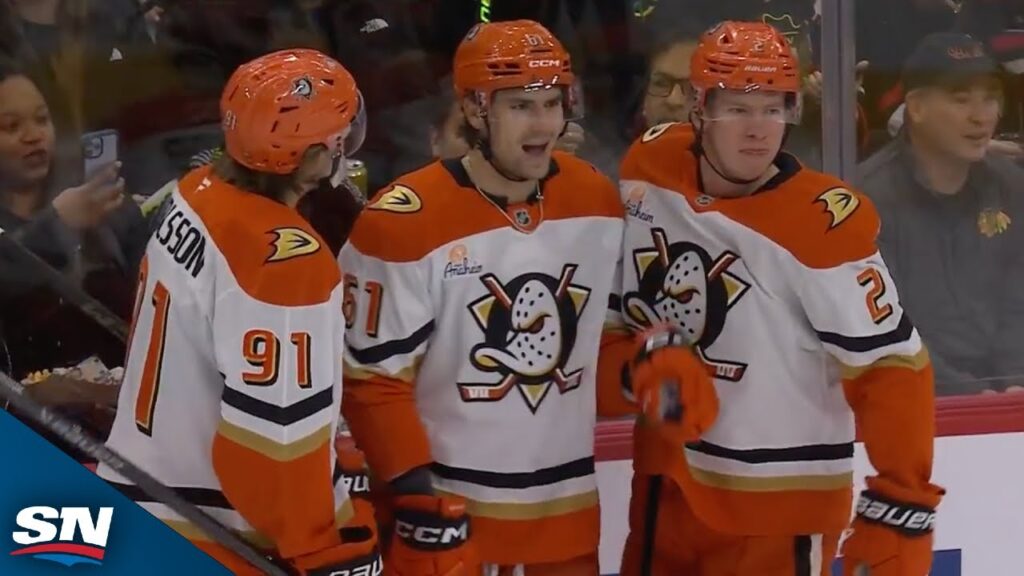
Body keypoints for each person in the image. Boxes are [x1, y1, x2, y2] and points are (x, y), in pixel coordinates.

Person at [611, 21, 944, 576]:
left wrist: (902, 502)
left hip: (776, 512)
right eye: (738, 108)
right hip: (665, 486)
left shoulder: (824, 226)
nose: (758, 129)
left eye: (774, 108)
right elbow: (619, 307)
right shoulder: (650, 168)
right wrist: (639, 363)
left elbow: (891, 367)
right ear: (698, 108)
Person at [339, 19, 652, 576]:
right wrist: (417, 497)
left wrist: (641, 376)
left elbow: (593, 351)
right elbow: (372, 381)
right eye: (521, 106)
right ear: (475, 109)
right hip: (449, 523)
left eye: (553, 103)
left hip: (568, 520)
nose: (544, 124)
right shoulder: (401, 221)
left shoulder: (594, 200)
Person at [96, 48, 380, 575]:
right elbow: (274, 448)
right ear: (312, 152)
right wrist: (318, 544)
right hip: (210, 528)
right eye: (340, 133)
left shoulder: (192, 193)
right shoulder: (288, 262)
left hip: (137, 488)